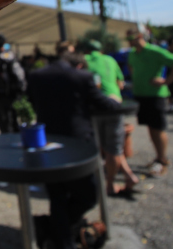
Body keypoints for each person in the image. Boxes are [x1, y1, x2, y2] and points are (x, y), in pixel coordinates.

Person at [27, 52, 120, 249]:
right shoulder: (83, 77)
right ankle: (61, 230)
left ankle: (62, 238)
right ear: (79, 66)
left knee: (57, 196)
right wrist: (114, 98)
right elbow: (104, 104)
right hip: (78, 144)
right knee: (89, 194)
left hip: (48, 141)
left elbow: (33, 102)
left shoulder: (36, 76)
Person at [126, 30, 173, 177]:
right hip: (141, 95)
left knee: (158, 128)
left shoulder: (155, 51)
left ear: (140, 37)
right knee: (151, 127)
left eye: (131, 38)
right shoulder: (133, 53)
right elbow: (130, 67)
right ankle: (158, 157)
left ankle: (162, 159)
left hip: (155, 96)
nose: (129, 41)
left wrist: (166, 81)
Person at [83, 40, 138, 196]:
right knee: (114, 147)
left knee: (101, 147)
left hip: (95, 107)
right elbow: (120, 83)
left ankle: (108, 184)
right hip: (115, 105)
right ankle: (119, 179)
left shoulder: (84, 61)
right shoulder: (110, 60)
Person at [0, 34, 25, 133]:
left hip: (1, 96)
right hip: (14, 94)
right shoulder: (11, 55)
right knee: (14, 120)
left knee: (4, 123)